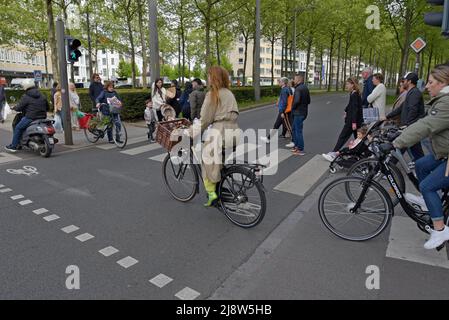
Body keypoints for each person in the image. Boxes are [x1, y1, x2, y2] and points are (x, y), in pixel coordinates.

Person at [393, 64, 449, 250]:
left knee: (427, 186)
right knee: (421, 164)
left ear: (443, 83)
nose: (427, 86)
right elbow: (424, 121)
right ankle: (428, 202)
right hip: (443, 152)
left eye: (431, 82)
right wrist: (402, 131)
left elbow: (427, 126)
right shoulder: (442, 100)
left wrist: (397, 143)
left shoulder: (447, 102)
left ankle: (440, 230)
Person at [188, 66, 240, 207]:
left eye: (209, 76)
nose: (208, 78)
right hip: (234, 133)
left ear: (214, 78)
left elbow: (204, 120)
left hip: (220, 133)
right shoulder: (229, 93)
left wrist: (190, 132)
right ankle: (220, 187)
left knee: (206, 159)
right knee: (217, 162)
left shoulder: (213, 94)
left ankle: (212, 194)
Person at [323, 77, 363, 162]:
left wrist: (354, 122)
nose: (346, 85)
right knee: (358, 139)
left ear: (352, 85)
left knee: (343, 136)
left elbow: (355, 109)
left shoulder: (355, 94)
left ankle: (334, 154)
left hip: (352, 121)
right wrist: (346, 110)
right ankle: (361, 155)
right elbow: (350, 105)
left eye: (348, 84)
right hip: (353, 120)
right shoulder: (353, 93)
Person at [387, 72, 425, 161]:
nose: (403, 82)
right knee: (417, 155)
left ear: (409, 81)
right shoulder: (411, 92)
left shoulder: (415, 93)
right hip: (410, 128)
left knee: (399, 150)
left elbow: (413, 111)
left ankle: (387, 171)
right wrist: (387, 116)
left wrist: (406, 126)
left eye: (404, 80)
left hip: (410, 128)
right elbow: (401, 108)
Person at [5, 79, 48, 153]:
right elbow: (47, 107)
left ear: (25, 86)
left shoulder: (26, 96)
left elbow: (19, 107)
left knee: (18, 127)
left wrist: (14, 108)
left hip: (31, 117)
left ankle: (13, 146)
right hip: (43, 116)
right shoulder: (42, 94)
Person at [261, 77, 291, 143]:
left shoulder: (284, 90)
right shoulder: (287, 89)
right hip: (287, 110)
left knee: (277, 125)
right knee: (285, 124)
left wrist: (282, 112)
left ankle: (268, 139)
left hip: (283, 111)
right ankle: (286, 136)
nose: (278, 83)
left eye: (279, 82)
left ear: (283, 83)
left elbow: (285, 102)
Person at [291, 74, 311, 156]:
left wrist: (292, 108)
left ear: (299, 80)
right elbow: (309, 101)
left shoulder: (298, 89)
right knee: (294, 129)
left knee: (298, 130)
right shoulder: (305, 88)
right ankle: (296, 146)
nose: (294, 80)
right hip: (303, 111)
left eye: (295, 79)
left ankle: (300, 149)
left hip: (298, 112)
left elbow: (296, 101)